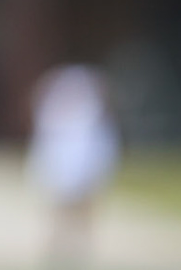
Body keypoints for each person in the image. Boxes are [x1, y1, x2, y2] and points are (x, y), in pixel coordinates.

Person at [26, 63, 119, 267]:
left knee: (80, 213)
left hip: (79, 162)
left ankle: (78, 250)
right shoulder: (56, 111)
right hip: (64, 162)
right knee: (60, 212)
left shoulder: (88, 114)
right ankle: (58, 249)